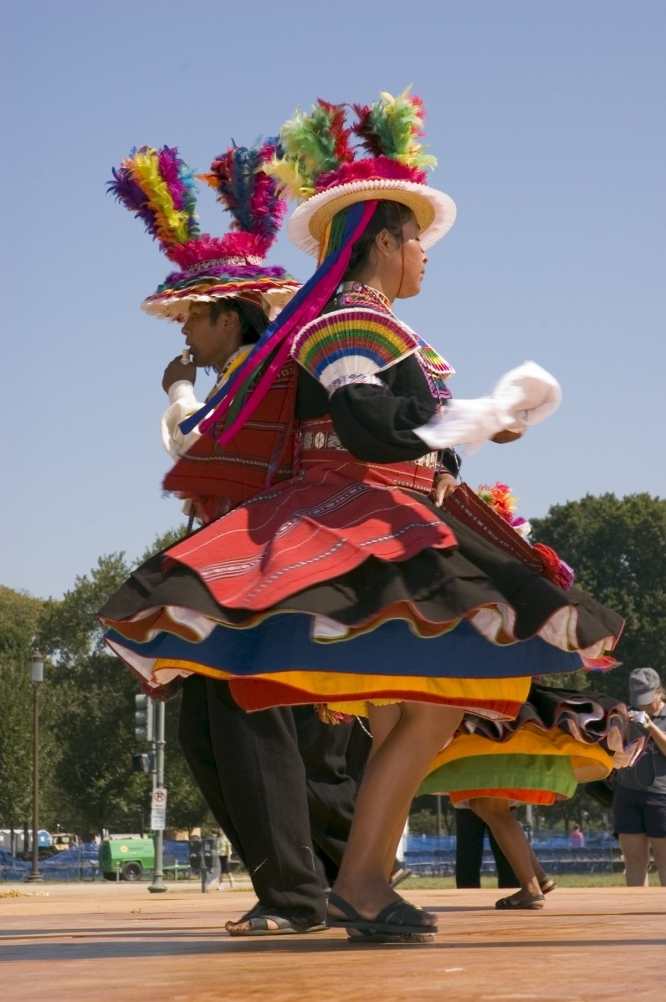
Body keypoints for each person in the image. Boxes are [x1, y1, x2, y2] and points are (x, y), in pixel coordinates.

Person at [100, 91, 624, 942]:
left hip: (393, 521)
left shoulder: (373, 324)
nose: (425, 255)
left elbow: (413, 444)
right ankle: (361, 882)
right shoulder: (349, 320)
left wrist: (486, 423)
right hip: (361, 525)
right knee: (429, 702)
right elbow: (367, 427)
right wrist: (481, 413)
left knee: (422, 704)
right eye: (416, 237)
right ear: (383, 240)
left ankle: (361, 880)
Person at [104, 141, 368, 936]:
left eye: (193, 316)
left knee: (254, 721)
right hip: (259, 571)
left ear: (229, 315)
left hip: (273, 573)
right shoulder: (262, 367)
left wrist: (180, 387)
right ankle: (327, 883)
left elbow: (201, 444)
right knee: (240, 728)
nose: (184, 331)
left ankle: (307, 891)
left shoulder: (265, 370)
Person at [420, 682, 638, 908]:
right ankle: (538, 878)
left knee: (491, 807)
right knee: (484, 805)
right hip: (495, 711)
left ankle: (530, 888)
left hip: (496, 718)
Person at [614, 667, 666, 886]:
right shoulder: (627, 714)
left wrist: (650, 725)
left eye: (646, 698)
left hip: (661, 796)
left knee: (664, 860)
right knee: (634, 860)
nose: (641, 704)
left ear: (659, 692)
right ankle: (635, 914)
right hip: (627, 793)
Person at [454, 807, 519, 890]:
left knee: (508, 856)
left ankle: (512, 891)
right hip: (469, 801)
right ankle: (467, 896)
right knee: (467, 858)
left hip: (498, 801)